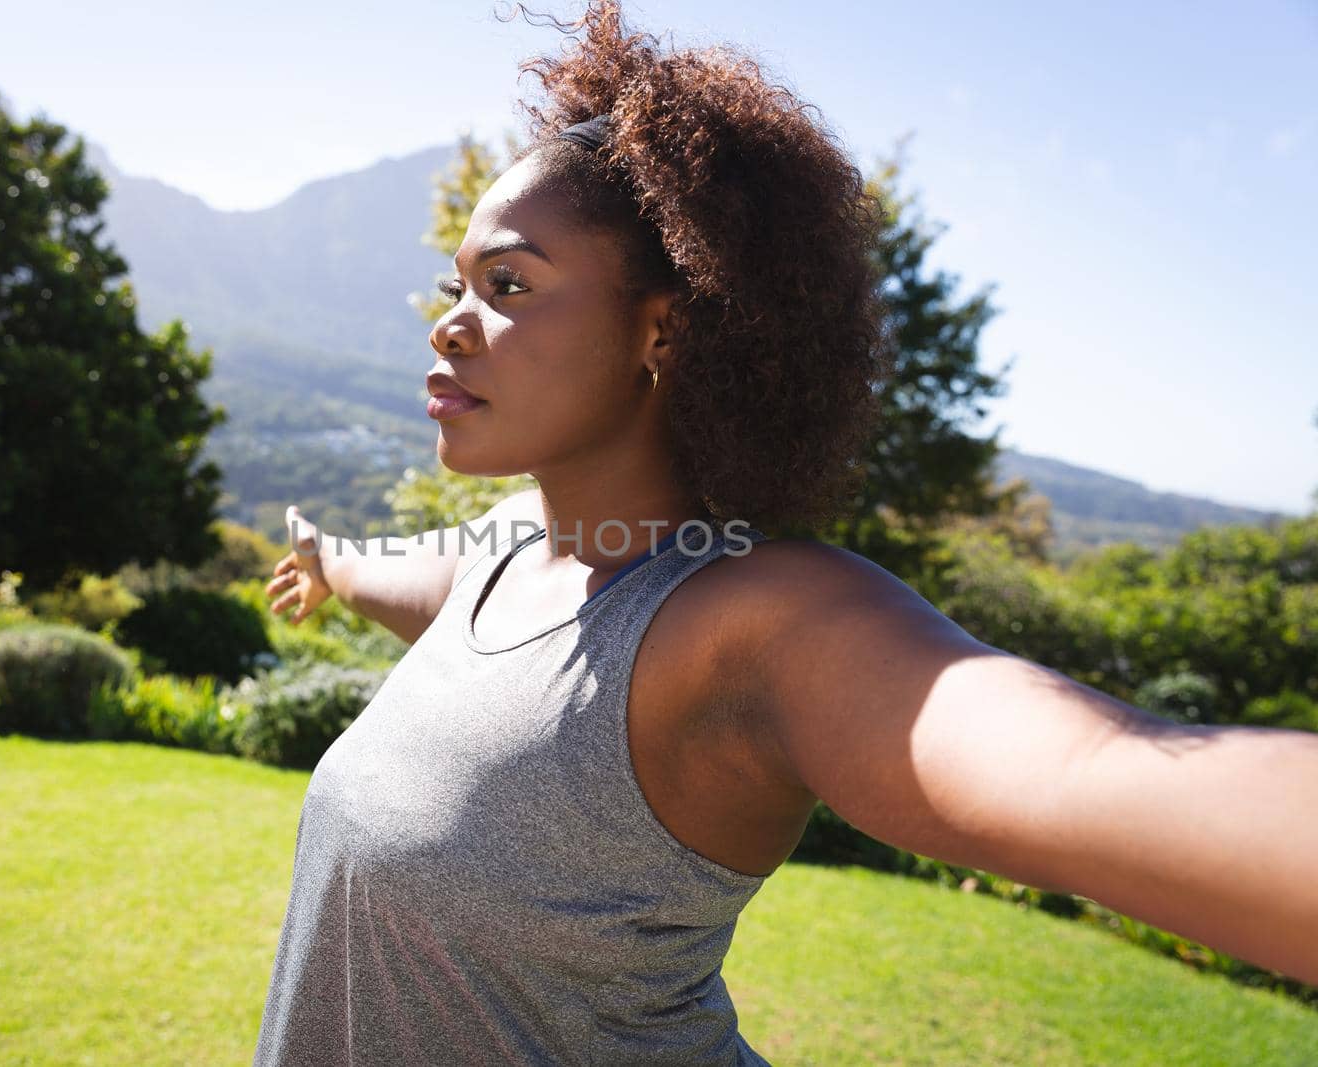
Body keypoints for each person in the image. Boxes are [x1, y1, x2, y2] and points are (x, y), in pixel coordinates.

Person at [250, 3, 1318, 1063]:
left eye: (510, 284)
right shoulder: (502, 552)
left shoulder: (754, 618)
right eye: (458, 285)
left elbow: (1083, 774)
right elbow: (394, 567)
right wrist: (327, 561)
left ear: (661, 328)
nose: (448, 321)